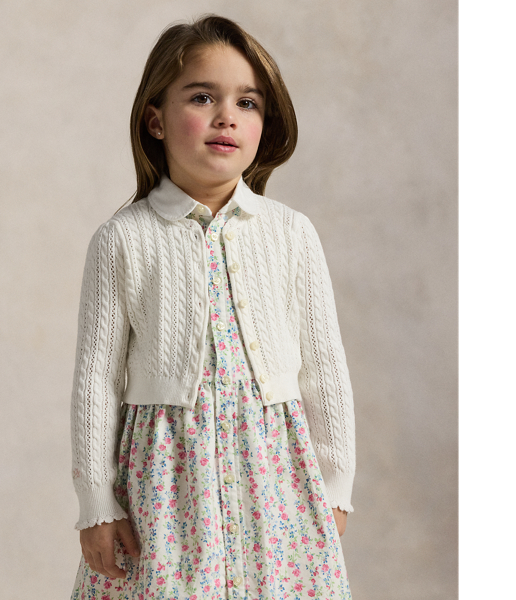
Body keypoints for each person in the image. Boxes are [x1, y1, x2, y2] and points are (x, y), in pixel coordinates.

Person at [69, 14, 355, 600]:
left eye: (247, 103)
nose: (227, 116)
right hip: (166, 487)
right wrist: (97, 501)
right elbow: (96, 379)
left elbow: (325, 369)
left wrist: (335, 485)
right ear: (155, 120)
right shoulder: (123, 239)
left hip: (278, 482)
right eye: (203, 97)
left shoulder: (292, 234)